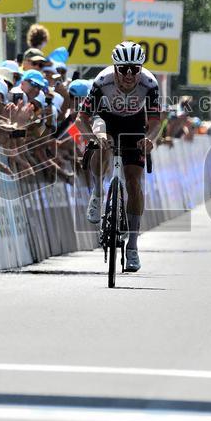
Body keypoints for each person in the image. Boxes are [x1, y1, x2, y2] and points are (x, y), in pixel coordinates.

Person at [77, 41, 162, 273]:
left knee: (134, 181)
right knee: (101, 140)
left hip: (135, 124)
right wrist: (90, 138)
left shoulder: (149, 83)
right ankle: (97, 193)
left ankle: (132, 247)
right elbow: (82, 117)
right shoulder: (102, 81)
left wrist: (150, 140)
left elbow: (155, 121)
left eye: (134, 69)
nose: (128, 74)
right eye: (123, 68)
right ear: (114, 68)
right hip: (106, 120)